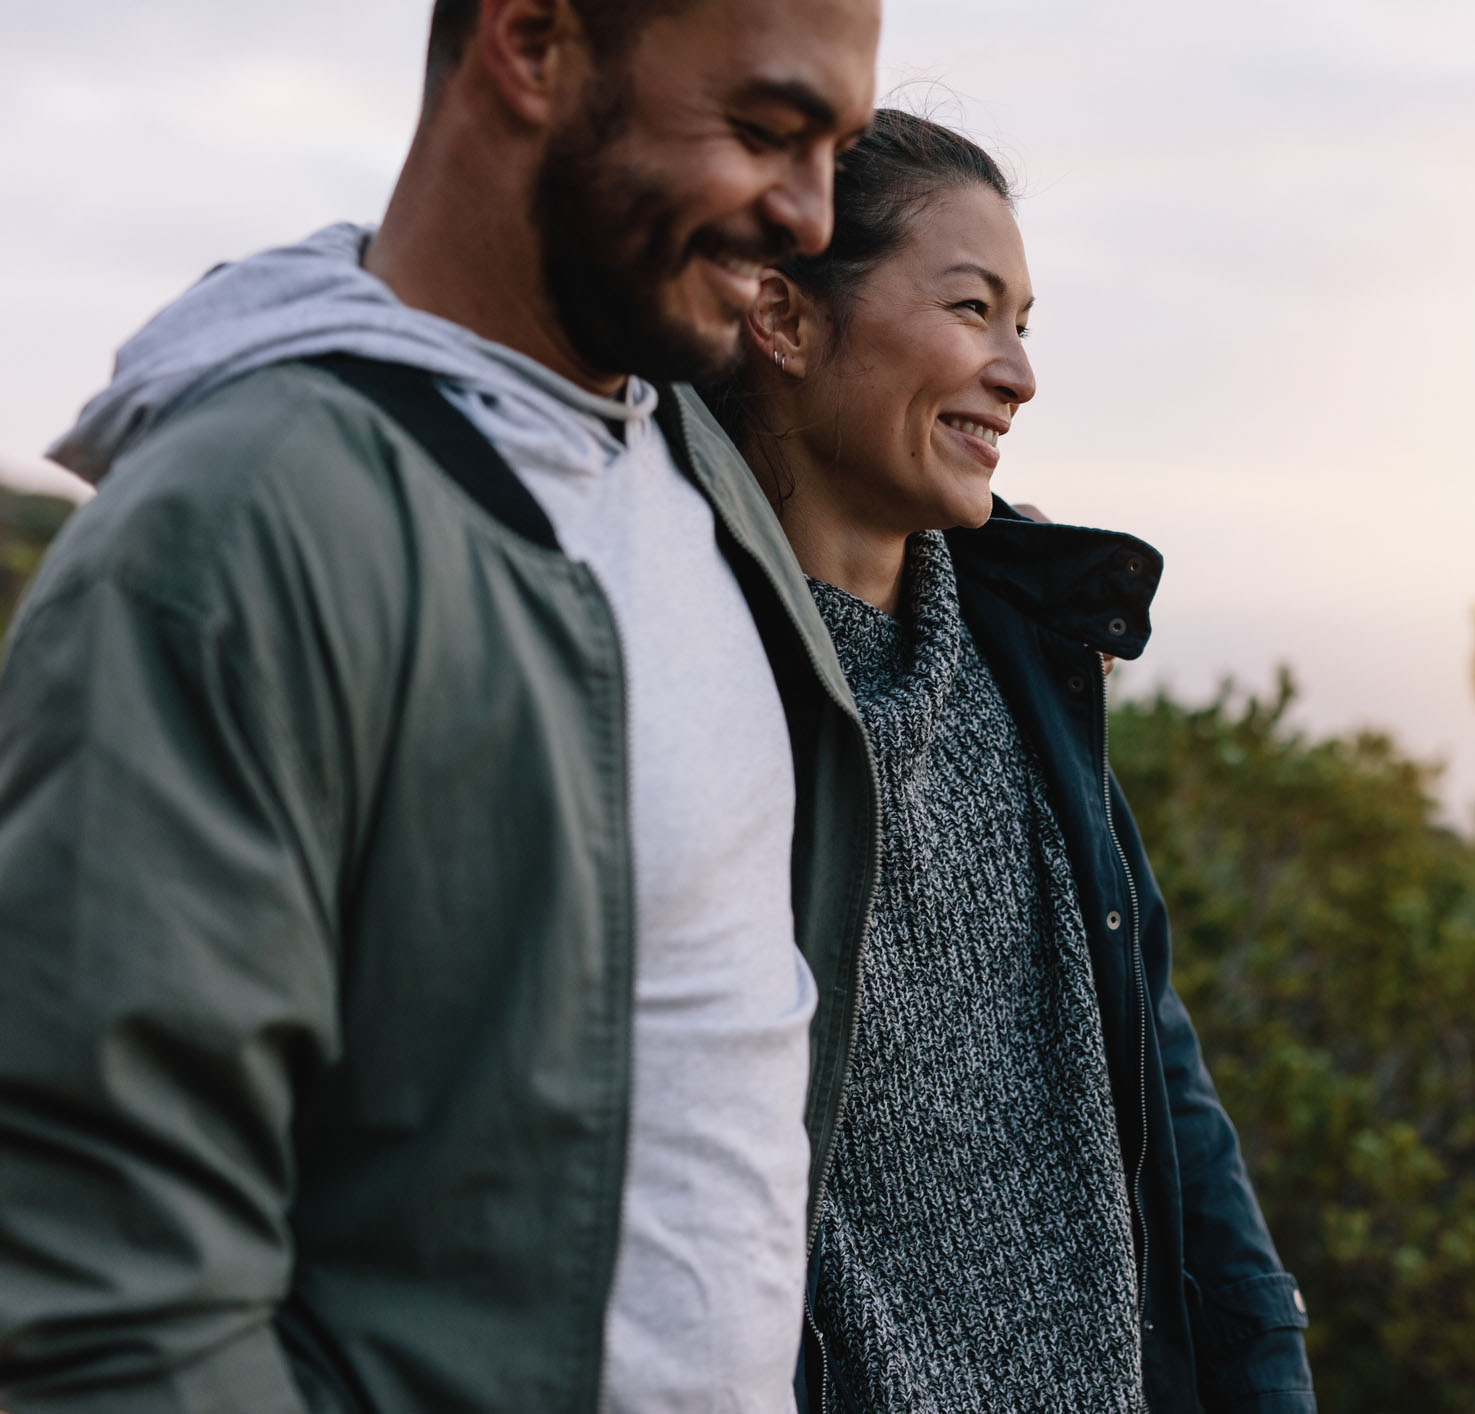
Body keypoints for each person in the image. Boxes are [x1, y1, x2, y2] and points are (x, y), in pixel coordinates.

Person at [0, 0, 878, 1410]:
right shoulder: (240, 531)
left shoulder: (688, 469)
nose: (812, 214)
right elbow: (115, 1303)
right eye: (767, 131)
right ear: (531, 45)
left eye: (836, 146)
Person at [710, 109, 1318, 1414]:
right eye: (972, 309)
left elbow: (1166, 1094)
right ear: (788, 317)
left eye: (1022, 323)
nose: (1018, 373)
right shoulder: (684, 674)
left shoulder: (1029, 664)